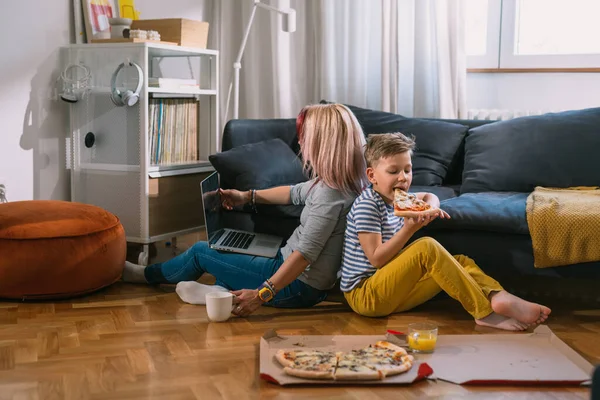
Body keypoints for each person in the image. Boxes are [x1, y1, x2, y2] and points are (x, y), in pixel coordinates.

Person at [122, 103, 368, 317]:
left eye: (305, 136)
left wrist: (261, 295)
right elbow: (293, 192)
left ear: (322, 144)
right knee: (232, 252)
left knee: (200, 252)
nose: (300, 142)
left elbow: (304, 256)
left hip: (299, 288)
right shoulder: (338, 183)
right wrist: (245, 196)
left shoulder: (330, 195)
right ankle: (219, 293)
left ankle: (144, 275)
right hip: (297, 274)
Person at [340, 133, 551, 331]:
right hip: (366, 296)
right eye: (393, 171)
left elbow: (429, 195)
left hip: (392, 292)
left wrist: (430, 207)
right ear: (372, 176)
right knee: (426, 246)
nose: (403, 178)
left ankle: (497, 295)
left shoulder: (399, 198)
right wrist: (408, 229)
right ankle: (483, 312)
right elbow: (376, 260)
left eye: (408, 169)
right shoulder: (367, 205)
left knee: (459, 261)